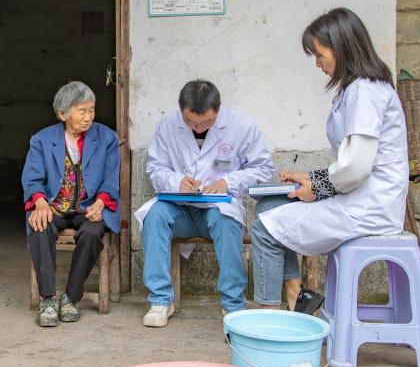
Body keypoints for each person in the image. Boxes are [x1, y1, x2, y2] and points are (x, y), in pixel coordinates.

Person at [251, 7, 407, 310]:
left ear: (342, 49)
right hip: (359, 195)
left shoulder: (365, 91)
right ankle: (295, 294)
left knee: (263, 230)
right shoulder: (357, 89)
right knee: (269, 206)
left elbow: (357, 167)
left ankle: (269, 316)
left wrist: (318, 187)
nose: (318, 63)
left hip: (368, 207)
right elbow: (355, 162)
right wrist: (313, 179)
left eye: (320, 55)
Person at [134, 80, 273, 328]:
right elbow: (156, 169)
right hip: (179, 208)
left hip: (218, 207)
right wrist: (177, 181)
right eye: (190, 122)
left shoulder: (243, 127)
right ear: (181, 110)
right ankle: (160, 300)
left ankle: (233, 304)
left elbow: (263, 169)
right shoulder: (167, 126)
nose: (198, 128)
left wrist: (227, 182)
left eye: (206, 123)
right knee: (154, 216)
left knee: (226, 222)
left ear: (218, 110)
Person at [22, 81, 119, 327]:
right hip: (53, 205)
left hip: (88, 207)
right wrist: (40, 203)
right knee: (40, 226)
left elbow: (111, 179)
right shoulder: (42, 140)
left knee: (92, 232)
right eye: (81, 111)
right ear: (63, 114)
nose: (88, 117)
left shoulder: (107, 138)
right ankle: (47, 298)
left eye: (91, 110)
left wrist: (100, 203)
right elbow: (32, 179)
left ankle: (71, 298)